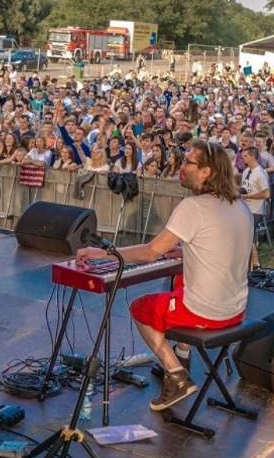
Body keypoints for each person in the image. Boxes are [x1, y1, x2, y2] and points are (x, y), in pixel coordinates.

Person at [74, 140, 252, 412]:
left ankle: (176, 373)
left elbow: (150, 253)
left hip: (206, 313)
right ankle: (182, 356)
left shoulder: (194, 207)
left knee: (140, 307)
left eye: (188, 162)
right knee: (179, 281)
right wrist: (186, 252)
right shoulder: (240, 206)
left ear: (206, 171)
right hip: (236, 310)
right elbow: (226, 246)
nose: (182, 166)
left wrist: (104, 253)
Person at [239, 147, 270, 269]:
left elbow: (266, 194)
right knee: (245, 237)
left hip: (255, 210)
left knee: (247, 236)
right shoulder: (246, 171)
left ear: (252, 157)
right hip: (244, 207)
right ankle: (254, 263)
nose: (243, 158)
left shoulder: (260, 173)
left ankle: (254, 263)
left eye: (246, 156)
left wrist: (248, 196)